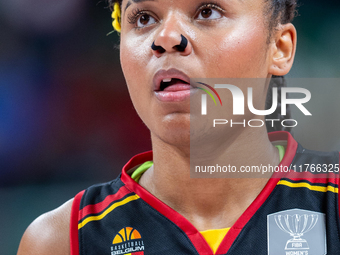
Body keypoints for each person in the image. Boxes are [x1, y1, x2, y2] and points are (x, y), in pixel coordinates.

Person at [17, 0, 340, 254]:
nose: (167, 38)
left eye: (207, 11)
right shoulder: (62, 240)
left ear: (279, 48)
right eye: (144, 18)